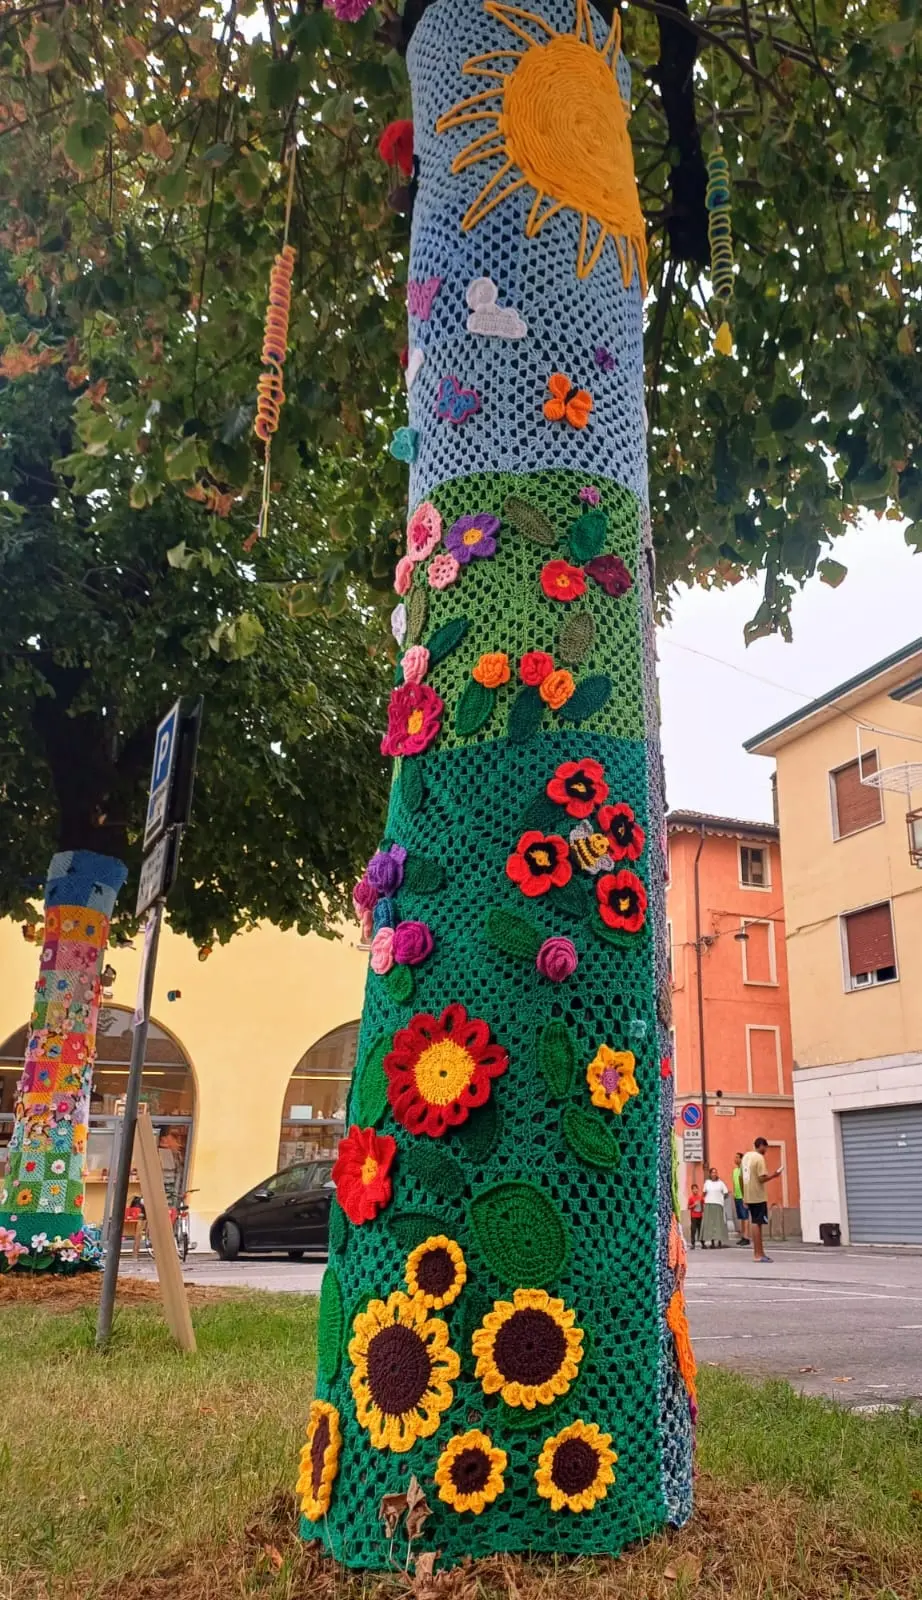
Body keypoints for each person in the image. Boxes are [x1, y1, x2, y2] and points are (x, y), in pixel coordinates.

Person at [741, 1137, 783, 1263]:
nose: (766, 1150)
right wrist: (774, 1175)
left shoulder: (746, 1157)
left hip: (749, 1194)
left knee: (754, 1222)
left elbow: (740, 1177)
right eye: (766, 1148)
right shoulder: (759, 1158)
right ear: (761, 1146)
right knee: (757, 1224)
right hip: (758, 1195)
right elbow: (761, 1178)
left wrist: (744, 1195)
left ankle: (757, 1253)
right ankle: (759, 1254)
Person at [701, 1167, 729, 1248]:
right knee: (710, 1224)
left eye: (715, 1172)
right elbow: (703, 1193)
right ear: (710, 1174)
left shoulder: (721, 1183)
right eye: (713, 1172)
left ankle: (719, 1241)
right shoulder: (707, 1183)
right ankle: (712, 1242)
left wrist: (721, 1198)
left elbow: (726, 1193)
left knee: (718, 1224)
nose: (714, 1174)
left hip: (718, 1205)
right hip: (709, 1204)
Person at [732, 1152, 750, 1246]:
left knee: (745, 1217)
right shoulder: (735, 1171)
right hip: (737, 1197)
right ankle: (743, 1236)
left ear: (741, 1159)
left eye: (737, 1157)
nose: (735, 1159)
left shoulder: (744, 1170)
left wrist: (745, 1196)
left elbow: (746, 1183)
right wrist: (735, 1193)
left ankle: (747, 1237)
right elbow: (735, 1183)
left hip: (744, 1197)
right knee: (741, 1217)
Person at [688, 1183, 704, 1249]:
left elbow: (703, 1205)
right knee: (693, 1230)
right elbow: (688, 1207)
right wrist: (693, 1205)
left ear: (698, 1189)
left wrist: (703, 1212)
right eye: (693, 1189)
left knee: (701, 1230)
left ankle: (703, 1243)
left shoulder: (700, 1197)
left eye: (696, 1189)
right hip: (693, 1216)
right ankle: (693, 1244)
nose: (695, 1190)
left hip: (700, 1216)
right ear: (692, 1190)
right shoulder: (691, 1198)